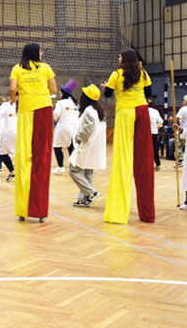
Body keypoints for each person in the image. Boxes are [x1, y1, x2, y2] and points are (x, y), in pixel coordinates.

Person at [102, 49, 155, 225]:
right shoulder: (143, 73)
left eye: (119, 56)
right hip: (142, 110)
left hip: (125, 112)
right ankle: (147, 214)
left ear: (124, 59)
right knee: (144, 157)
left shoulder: (116, 74)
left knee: (123, 157)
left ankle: (118, 212)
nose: (118, 58)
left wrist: (107, 87)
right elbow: (149, 92)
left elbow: (107, 95)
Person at [9, 42, 56, 223]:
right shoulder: (45, 68)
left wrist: (14, 99)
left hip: (26, 111)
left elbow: (13, 88)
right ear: (37, 53)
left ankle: (23, 208)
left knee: (23, 157)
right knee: (41, 158)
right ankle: (40, 210)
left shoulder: (17, 68)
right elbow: (53, 89)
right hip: (43, 109)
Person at [68, 84, 106, 207]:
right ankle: (84, 199)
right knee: (87, 172)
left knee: (74, 170)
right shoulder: (98, 110)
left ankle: (91, 192)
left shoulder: (89, 110)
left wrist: (78, 138)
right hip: (96, 146)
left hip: (88, 145)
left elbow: (87, 128)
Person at [52, 79, 79, 174]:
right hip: (74, 127)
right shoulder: (75, 103)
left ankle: (60, 167)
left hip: (63, 126)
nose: (59, 94)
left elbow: (56, 114)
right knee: (71, 146)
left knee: (56, 146)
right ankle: (73, 167)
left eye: (60, 92)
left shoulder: (61, 103)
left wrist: (55, 119)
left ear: (64, 93)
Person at [0, 96, 17, 182]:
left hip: (8, 132)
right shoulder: (23, 104)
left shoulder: (6, 105)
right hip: (22, 131)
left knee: (2, 152)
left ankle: (13, 171)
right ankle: (15, 172)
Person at [168, 94, 187, 163]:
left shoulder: (183, 109)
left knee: (179, 145)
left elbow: (176, 119)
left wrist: (171, 119)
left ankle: (181, 160)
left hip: (184, 130)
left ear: (186, 101)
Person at [147, 97, 164, 170]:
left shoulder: (143, 111)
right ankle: (158, 163)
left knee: (145, 149)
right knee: (155, 148)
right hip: (154, 132)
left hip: (145, 132)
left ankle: (146, 164)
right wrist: (156, 127)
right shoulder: (155, 111)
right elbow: (161, 121)